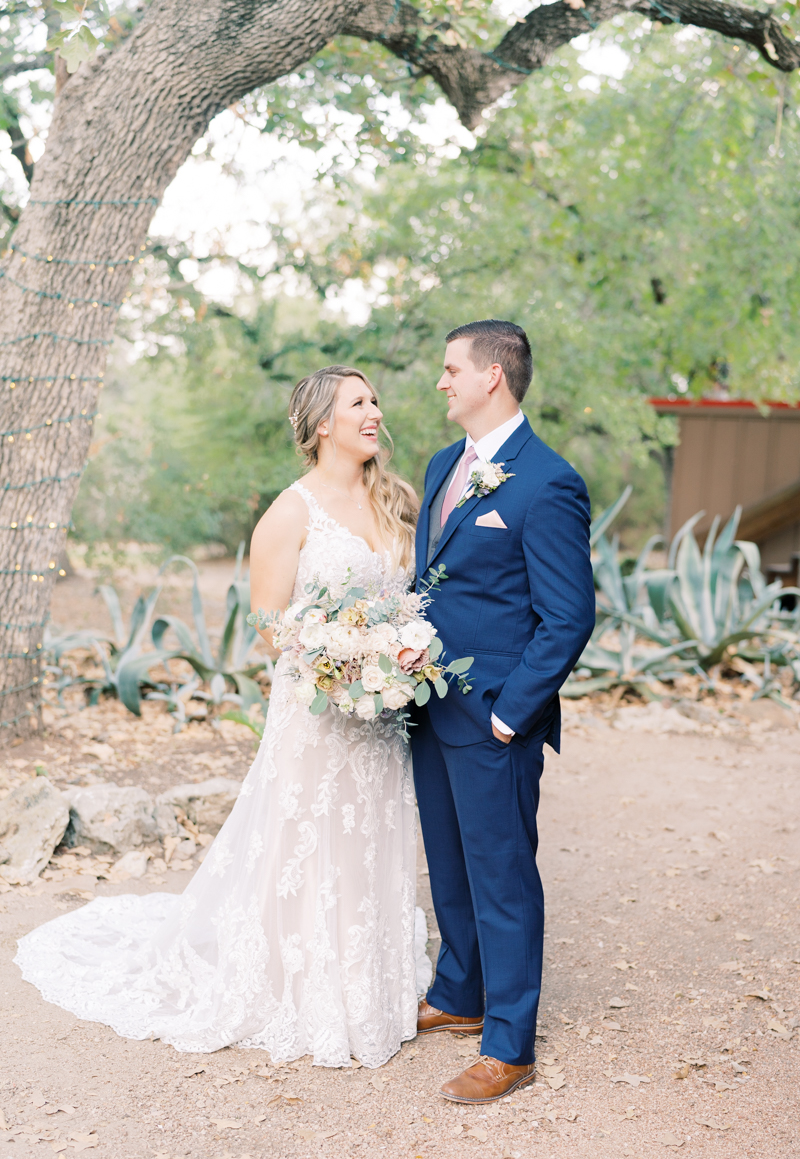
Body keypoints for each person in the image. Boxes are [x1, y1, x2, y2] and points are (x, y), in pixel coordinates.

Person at [15, 364, 431, 1069]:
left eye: (375, 401)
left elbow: (416, 601)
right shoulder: (290, 512)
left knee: (370, 834)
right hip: (320, 711)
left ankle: (368, 977)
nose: (374, 412)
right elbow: (270, 626)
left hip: (382, 719)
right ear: (322, 423)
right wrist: (345, 663)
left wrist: (393, 661)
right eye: (358, 402)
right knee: (307, 837)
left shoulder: (398, 500)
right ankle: (300, 982)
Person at [412, 320, 596, 1103]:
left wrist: (509, 714)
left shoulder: (547, 481)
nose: (442, 382)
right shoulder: (442, 465)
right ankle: (459, 991)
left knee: (502, 877)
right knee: (450, 866)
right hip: (426, 706)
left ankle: (509, 1044)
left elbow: (569, 615)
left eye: (452, 369)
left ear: (493, 375)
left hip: (493, 718)